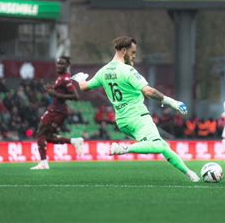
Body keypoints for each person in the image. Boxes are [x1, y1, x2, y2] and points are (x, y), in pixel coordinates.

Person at [72, 36, 200, 182]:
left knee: (163, 146)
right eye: (133, 53)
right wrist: (172, 102)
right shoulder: (128, 71)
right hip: (137, 116)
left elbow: (84, 87)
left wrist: (81, 78)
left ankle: (190, 174)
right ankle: (123, 149)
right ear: (124, 50)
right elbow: (148, 91)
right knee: (157, 144)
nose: (134, 56)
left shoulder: (104, 71)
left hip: (122, 121)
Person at [31, 56, 84, 170]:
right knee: (48, 137)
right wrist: (52, 91)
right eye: (58, 63)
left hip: (57, 111)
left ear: (67, 66)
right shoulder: (60, 78)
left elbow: (76, 96)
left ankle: (44, 163)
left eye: (62, 64)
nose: (59, 66)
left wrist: (55, 94)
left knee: (40, 133)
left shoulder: (65, 79)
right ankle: (74, 141)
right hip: (55, 110)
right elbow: (58, 94)